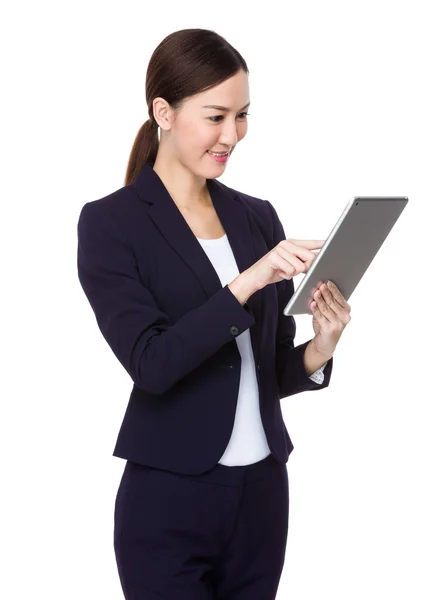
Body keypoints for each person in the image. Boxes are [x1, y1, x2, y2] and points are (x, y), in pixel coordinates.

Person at [77, 27, 351, 600]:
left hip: (261, 497)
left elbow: (267, 368)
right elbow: (152, 364)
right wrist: (247, 282)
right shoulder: (111, 225)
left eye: (243, 115)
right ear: (164, 112)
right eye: (216, 116)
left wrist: (320, 348)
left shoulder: (257, 217)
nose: (233, 135)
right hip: (169, 499)